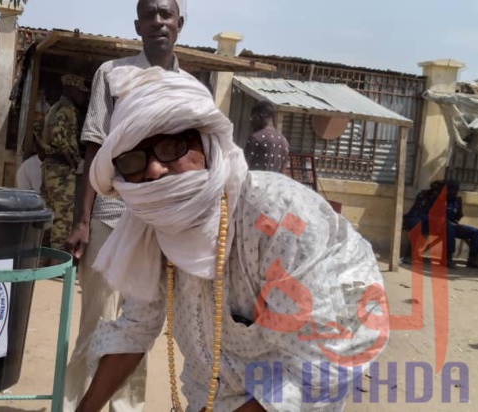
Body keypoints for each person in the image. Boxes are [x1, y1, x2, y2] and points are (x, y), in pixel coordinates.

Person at [74, 66, 386, 411]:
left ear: (205, 143)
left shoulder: (280, 216)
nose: (154, 171)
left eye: (171, 146)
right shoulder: (150, 229)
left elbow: (317, 365)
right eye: (135, 159)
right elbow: (135, 327)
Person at [63, 1, 189, 410]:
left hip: (159, 228)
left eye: (166, 15)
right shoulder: (112, 75)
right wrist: (82, 219)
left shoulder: (190, 90)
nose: (158, 22)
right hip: (110, 220)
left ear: (179, 24)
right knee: (97, 322)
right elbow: (94, 147)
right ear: (138, 24)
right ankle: (76, 403)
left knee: (140, 328)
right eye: (150, 15)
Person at [39, 74, 89, 250]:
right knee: (63, 220)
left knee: (49, 218)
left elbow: (40, 132)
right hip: (60, 170)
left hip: (50, 167)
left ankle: (43, 262)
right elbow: (58, 134)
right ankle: (57, 267)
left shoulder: (54, 108)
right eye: (80, 92)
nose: (83, 96)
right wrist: (72, 161)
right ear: (71, 89)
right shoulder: (66, 108)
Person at [445, 180, 478, 269]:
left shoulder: (457, 201)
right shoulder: (439, 199)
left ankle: (473, 259)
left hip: (453, 225)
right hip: (439, 226)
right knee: (449, 228)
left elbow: (458, 216)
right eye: (452, 189)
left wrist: (456, 217)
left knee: (475, 232)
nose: (454, 192)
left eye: (456, 190)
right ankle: (447, 258)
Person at [244, 100, 289, 173]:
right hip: (274, 183)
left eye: (252, 117)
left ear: (260, 117)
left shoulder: (256, 138)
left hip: (255, 183)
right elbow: (283, 170)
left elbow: (243, 166)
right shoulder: (284, 141)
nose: (251, 121)